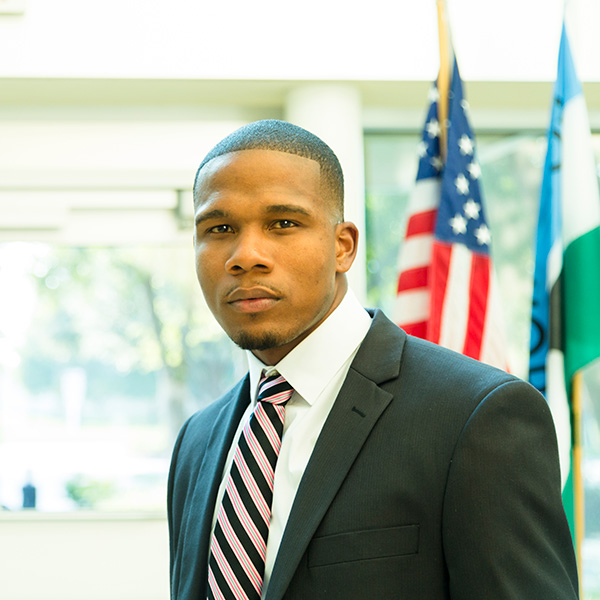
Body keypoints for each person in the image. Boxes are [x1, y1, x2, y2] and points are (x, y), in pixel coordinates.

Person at [167, 119, 579, 600]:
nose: (246, 254)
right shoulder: (197, 440)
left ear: (343, 246)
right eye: (219, 228)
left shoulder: (477, 415)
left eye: (283, 223)